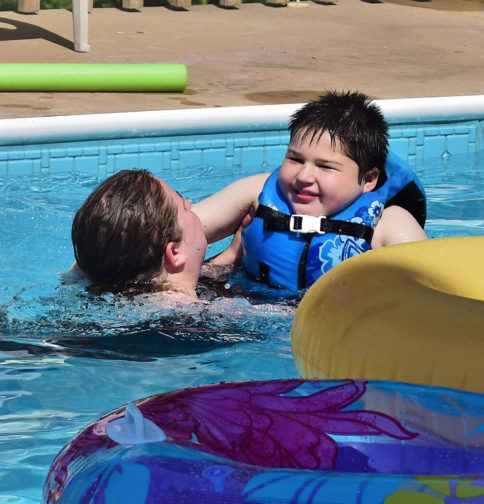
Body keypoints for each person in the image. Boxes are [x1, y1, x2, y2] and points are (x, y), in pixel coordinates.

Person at [194, 90, 428, 291]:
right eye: (295, 159)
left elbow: (431, 290)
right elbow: (171, 234)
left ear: (368, 179)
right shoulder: (257, 193)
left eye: (326, 167)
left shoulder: (389, 224)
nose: (303, 177)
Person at [71, 169, 239, 303]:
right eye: (185, 208)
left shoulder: (96, 280)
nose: (189, 203)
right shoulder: (196, 312)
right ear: (174, 252)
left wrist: (233, 255)